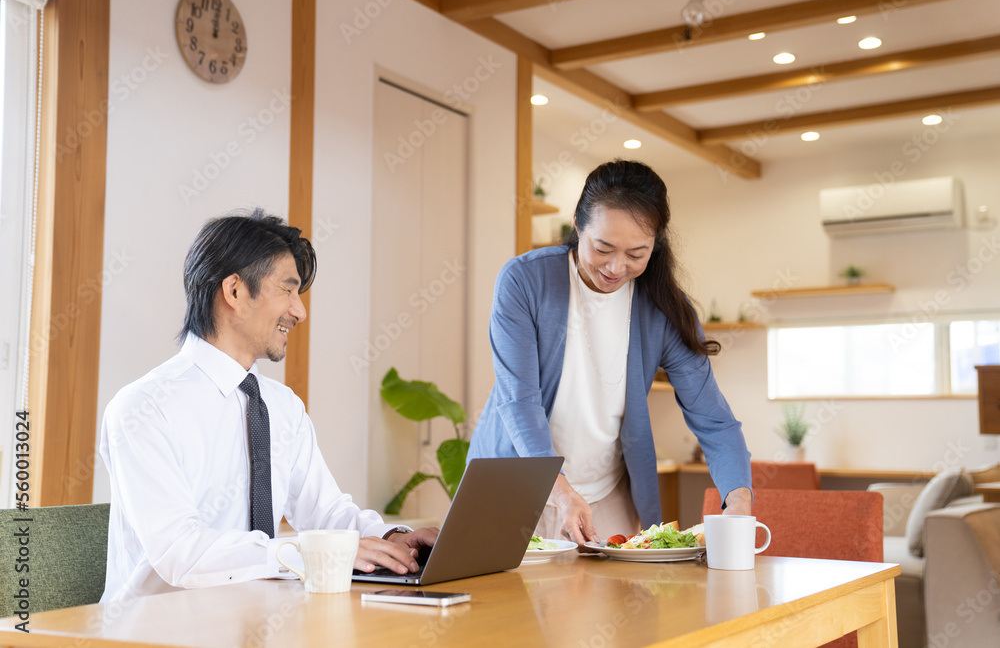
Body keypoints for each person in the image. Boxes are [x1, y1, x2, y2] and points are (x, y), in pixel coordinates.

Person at [100, 208, 437, 603]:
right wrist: (303, 554)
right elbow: (180, 553)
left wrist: (396, 539)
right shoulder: (144, 408)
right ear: (235, 291)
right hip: (155, 631)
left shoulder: (281, 406)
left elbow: (325, 513)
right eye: (287, 290)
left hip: (258, 621)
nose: (300, 311)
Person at [468, 160, 752, 546]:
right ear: (577, 225)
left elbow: (713, 421)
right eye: (602, 248)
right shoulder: (525, 281)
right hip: (514, 486)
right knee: (503, 604)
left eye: (637, 254)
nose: (616, 267)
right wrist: (563, 493)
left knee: (617, 603)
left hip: (607, 496)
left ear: (657, 243)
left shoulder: (664, 308)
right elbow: (520, 402)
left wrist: (737, 500)